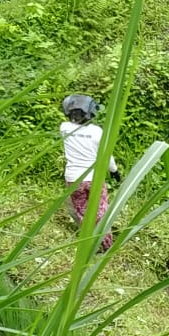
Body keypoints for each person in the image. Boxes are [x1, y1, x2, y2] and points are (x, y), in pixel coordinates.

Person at [60, 93, 118, 252]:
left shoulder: (64, 128)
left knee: (82, 212)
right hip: (94, 179)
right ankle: (106, 246)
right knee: (101, 212)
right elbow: (107, 156)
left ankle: (89, 243)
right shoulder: (97, 132)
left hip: (74, 179)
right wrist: (114, 171)